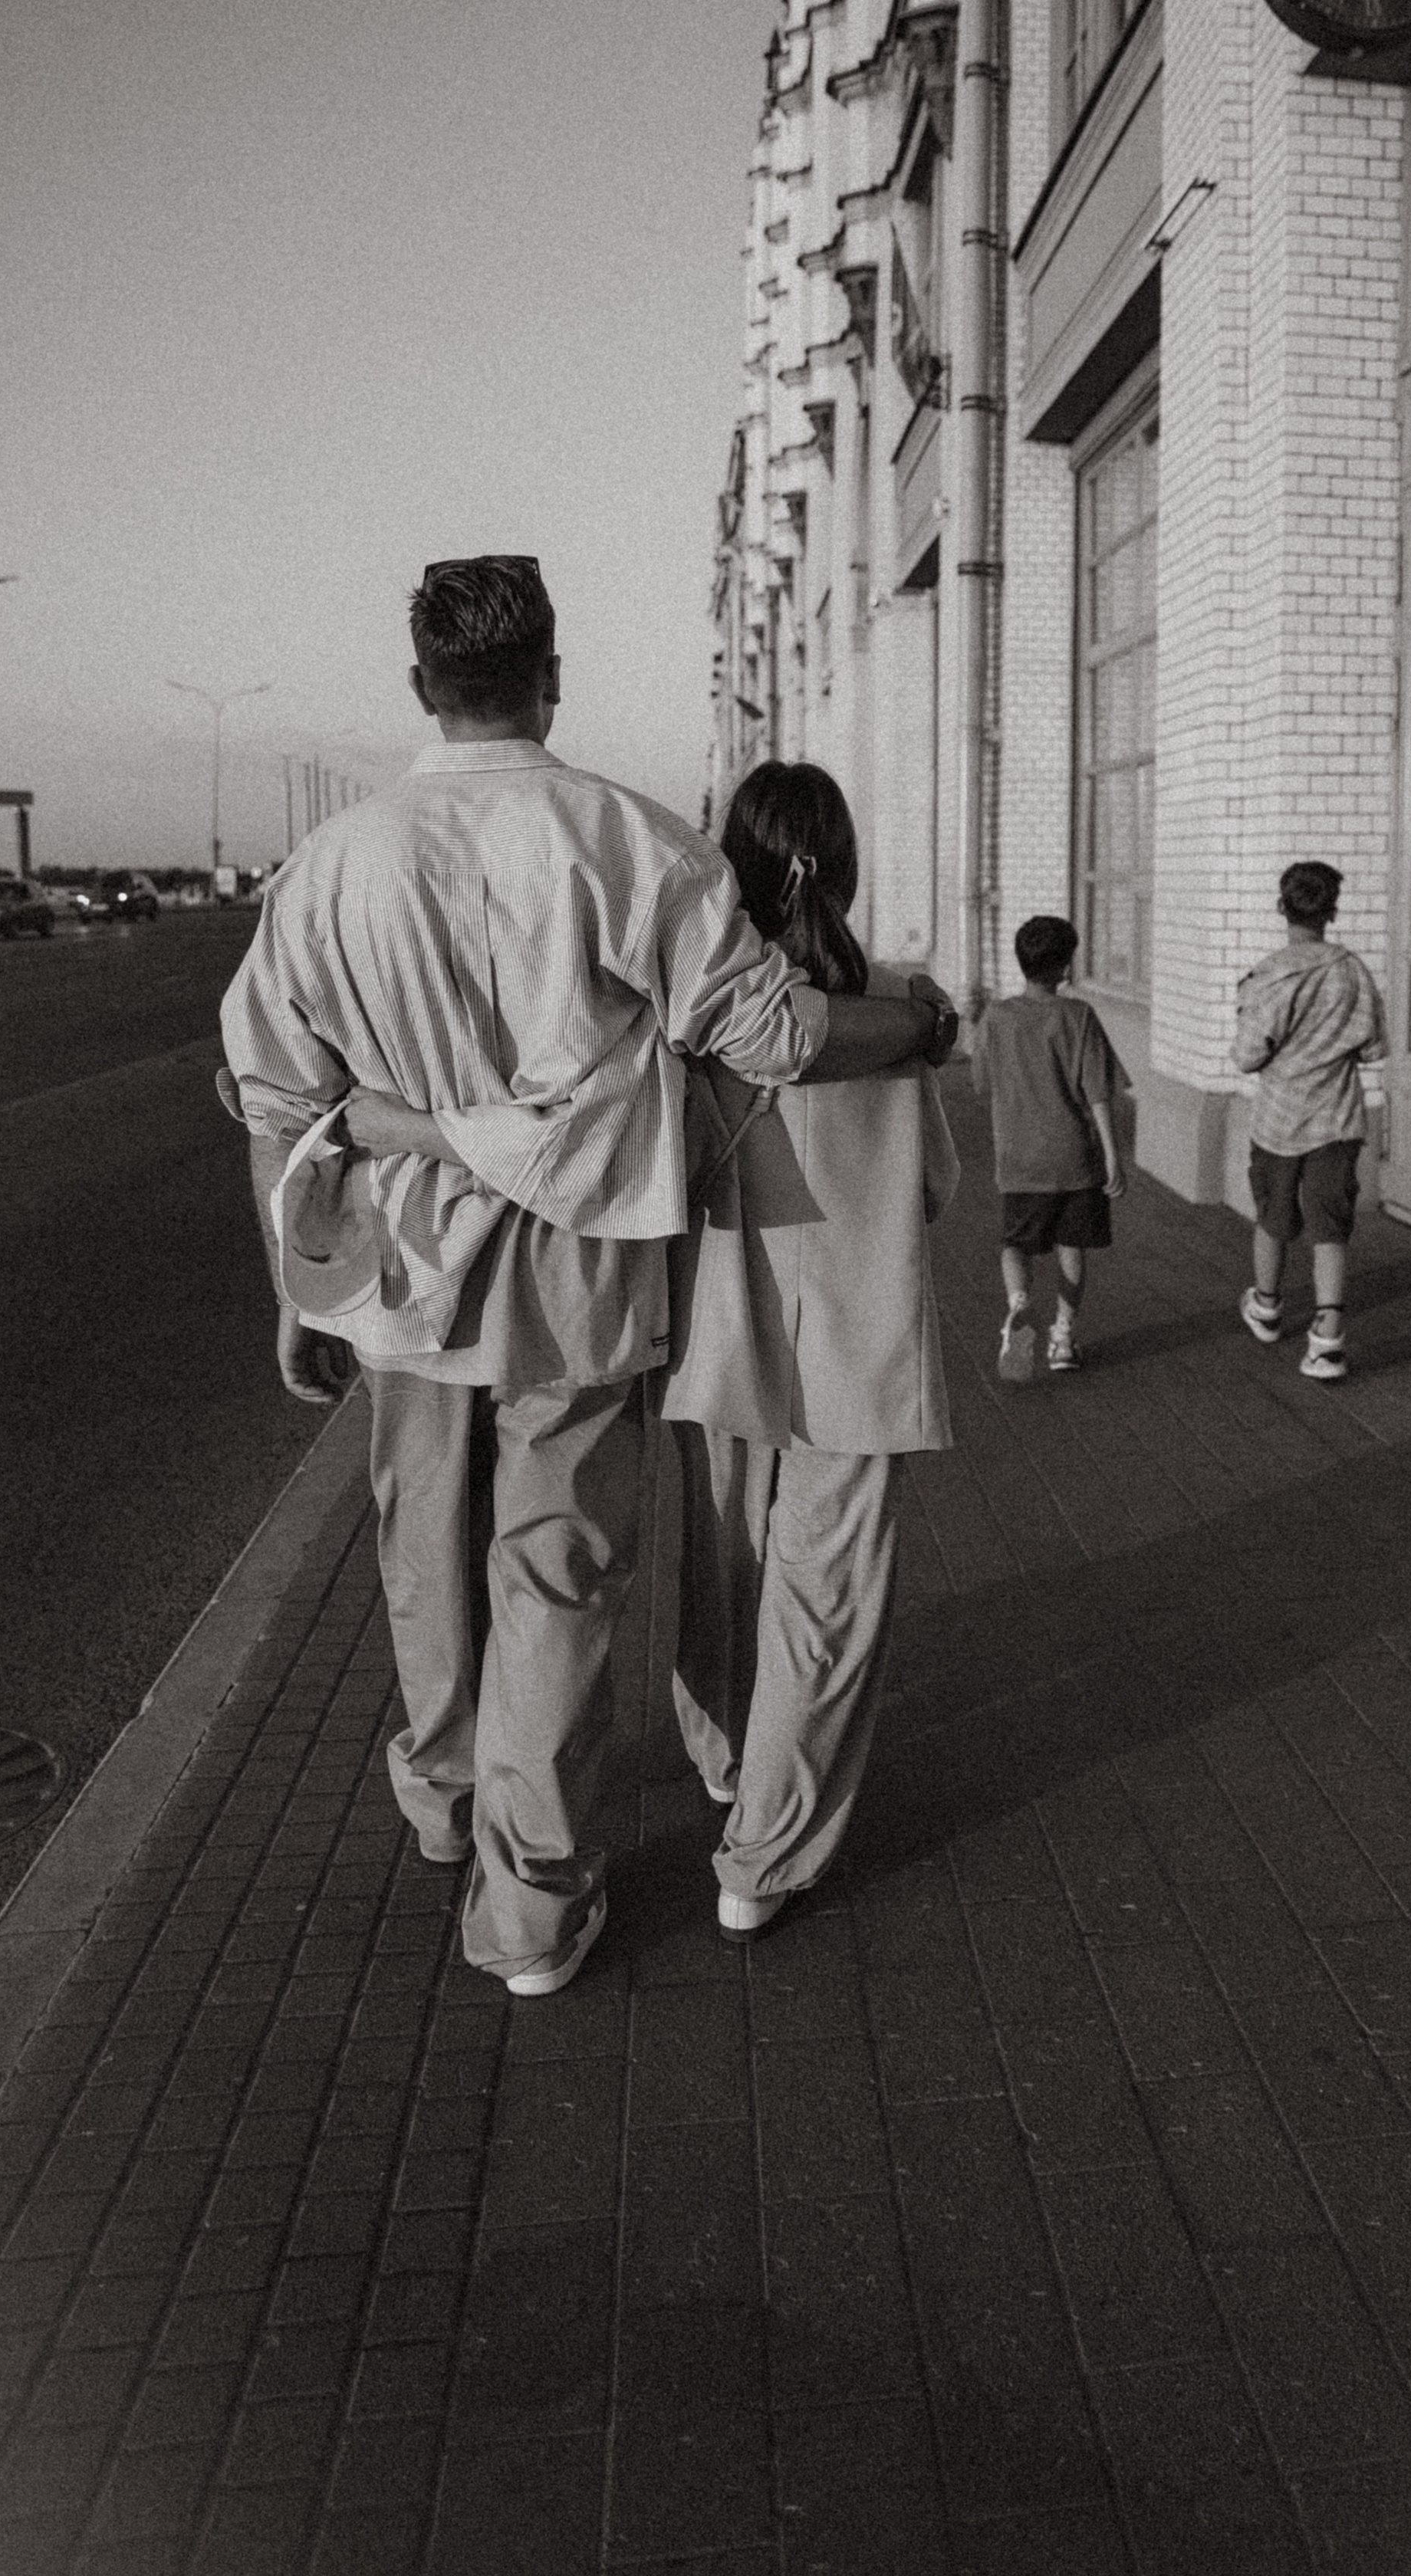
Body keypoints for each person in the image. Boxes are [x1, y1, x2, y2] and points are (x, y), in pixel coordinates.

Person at [220, 557, 952, 2000]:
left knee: (421, 1549)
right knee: (555, 1577)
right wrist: (918, 1027)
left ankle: (442, 1806)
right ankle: (533, 1910)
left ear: (421, 688)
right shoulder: (629, 841)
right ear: (550, 678)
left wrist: (291, 1289)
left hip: (407, 1277)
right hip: (583, 1277)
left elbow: (275, 1106)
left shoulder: (333, 864)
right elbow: (776, 1038)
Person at [662, 761, 959, 1944]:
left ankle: (726, 1760)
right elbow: (933, 1186)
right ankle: (767, 1856)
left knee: (724, 1567)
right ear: (840, 862)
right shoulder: (893, 1009)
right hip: (862, 1339)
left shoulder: (702, 1018)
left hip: (720, 1335)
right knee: (825, 1600)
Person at [1234, 859, 1387, 1382]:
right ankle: (1327, 1338)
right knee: (1331, 1227)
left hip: (1278, 1121)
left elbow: (1247, 1055)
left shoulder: (1271, 974)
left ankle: (1268, 1306)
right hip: (1338, 1120)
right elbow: (1375, 1047)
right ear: (1333, 911)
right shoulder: (1352, 970)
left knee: (1273, 1215)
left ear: (1282, 908)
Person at [971, 913, 1128, 1383]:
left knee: (1015, 1245)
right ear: (1064, 966)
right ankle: (1062, 1336)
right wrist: (1114, 1158)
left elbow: (981, 1083)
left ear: (1021, 962)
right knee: (1072, 1246)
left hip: (1020, 1159)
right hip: (1076, 1159)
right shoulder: (1078, 1016)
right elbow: (1099, 1092)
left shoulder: (996, 1018)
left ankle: (1019, 1303)